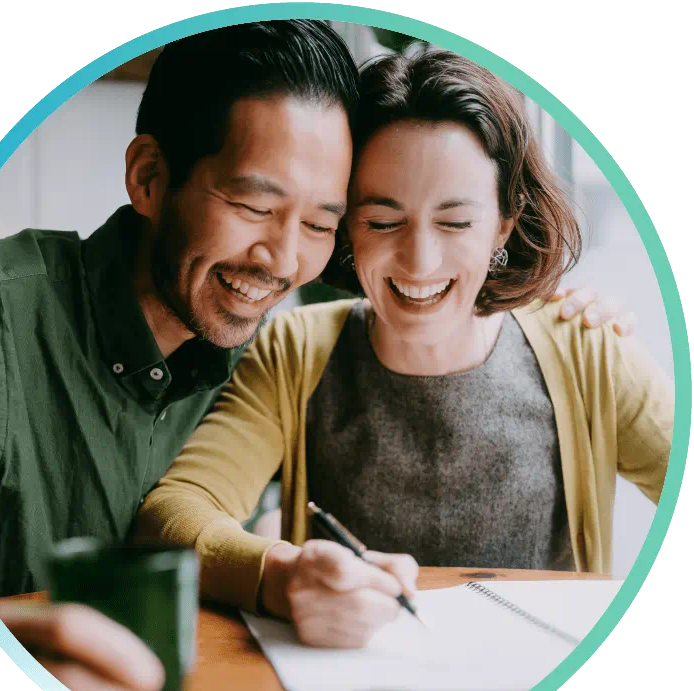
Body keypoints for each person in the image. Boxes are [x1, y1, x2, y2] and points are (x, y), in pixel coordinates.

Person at [0, 21, 629, 691]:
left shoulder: (252, 348)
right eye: (253, 205)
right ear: (149, 178)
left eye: (321, 224)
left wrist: (539, 309)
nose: (283, 261)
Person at [135, 46, 673, 650]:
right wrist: (281, 576)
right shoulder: (294, 350)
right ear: (346, 228)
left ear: (503, 222)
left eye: (456, 222)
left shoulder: (587, 349)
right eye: (384, 221)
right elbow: (174, 513)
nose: (420, 261)